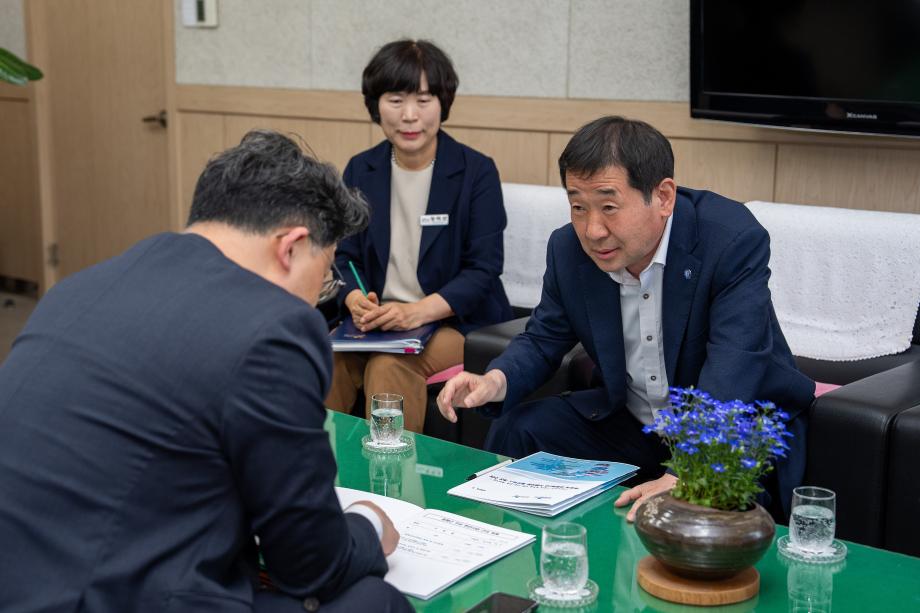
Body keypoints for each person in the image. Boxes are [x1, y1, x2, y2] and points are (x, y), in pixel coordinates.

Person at [0, 131, 412, 613]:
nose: (315, 298)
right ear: (292, 247)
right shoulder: (274, 327)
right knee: (375, 600)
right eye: (324, 279)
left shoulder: (80, 287)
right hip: (103, 596)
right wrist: (367, 524)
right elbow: (308, 563)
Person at [437, 116, 815, 522]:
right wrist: (495, 381)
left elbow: (734, 365)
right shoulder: (568, 249)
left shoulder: (729, 239)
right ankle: (515, 551)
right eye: (578, 206)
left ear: (663, 196)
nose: (592, 229)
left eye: (609, 207)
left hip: (731, 430)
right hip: (634, 423)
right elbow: (544, 337)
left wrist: (687, 472)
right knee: (521, 427)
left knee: (697, 512)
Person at [326, 39, 512, 433]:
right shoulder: (362, 170)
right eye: (396, 100)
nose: (410, 116)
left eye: (424, 100)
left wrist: (417, 311)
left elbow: (483, 269)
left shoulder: (475, 172)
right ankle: (318, 479)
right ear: (375, 105)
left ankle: (389, 484)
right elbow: (345, 257)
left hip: (453, 323)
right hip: (378, 322)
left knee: (390, 364)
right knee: (328, 361)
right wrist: (356, 299)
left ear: (443, 103)